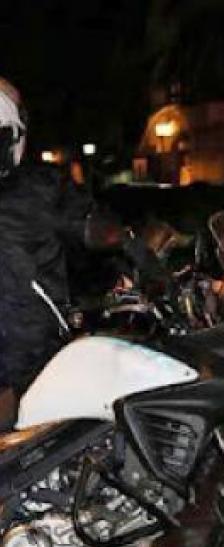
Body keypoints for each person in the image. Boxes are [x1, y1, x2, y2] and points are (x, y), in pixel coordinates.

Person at [0, 78, 151, 429]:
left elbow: (95, 230)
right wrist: (137, 248)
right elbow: (95, 228)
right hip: (30, 371)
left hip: (33, 370)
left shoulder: (36, 189)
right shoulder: (38, 189)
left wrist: (134, 253)